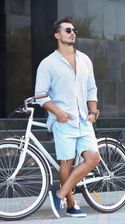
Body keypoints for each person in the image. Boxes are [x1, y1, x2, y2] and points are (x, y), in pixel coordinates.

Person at [34, 15, 100, 218]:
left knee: (93, 159)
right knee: (66, 163)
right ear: (57, 35)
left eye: (74, 31)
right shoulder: (48, 64)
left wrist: (93, 111)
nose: (72, 34)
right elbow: (40, 96)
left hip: (83, 120)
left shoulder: (85, 60)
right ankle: (71, 204)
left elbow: (91, 88)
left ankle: (60, 193)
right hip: (63, 122)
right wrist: (59, 113)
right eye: (68, 30)